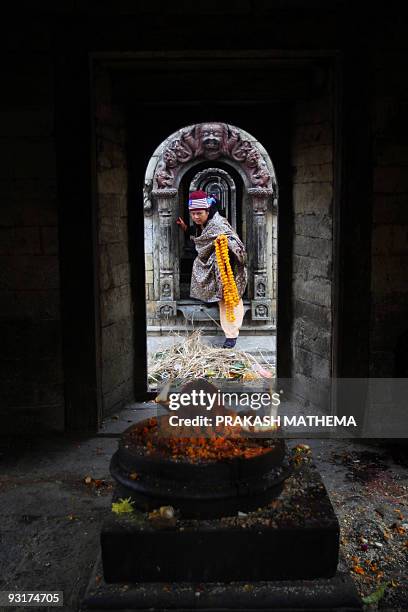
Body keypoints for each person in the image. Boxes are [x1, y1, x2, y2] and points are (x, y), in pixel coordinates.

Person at [176, 190, 247, 348]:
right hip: (208, 261)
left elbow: (234, 241)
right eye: (193, 214)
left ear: (208, 211)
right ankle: (209, 297)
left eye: (199, 213)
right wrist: (185, 228)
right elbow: (201, 236)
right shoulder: (204, 223)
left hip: (226, 266)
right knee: (198, 265)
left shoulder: (219, 224)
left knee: (228, 297)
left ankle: (231, 335)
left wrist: (227, 244)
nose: (196, 217)